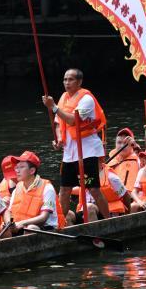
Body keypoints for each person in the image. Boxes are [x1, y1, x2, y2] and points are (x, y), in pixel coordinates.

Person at [43, 68, 110, 222]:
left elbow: (73, 120)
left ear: (79, 82)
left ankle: (109, 220)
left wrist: (53, 107)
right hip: (70, 152)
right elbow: (59, 124)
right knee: (65, 189)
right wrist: (59, 139)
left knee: (93, 189)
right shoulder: (63, 98)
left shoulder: (86, 98)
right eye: (65, 79)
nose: (67, 83)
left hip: (87, 150)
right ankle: (60, 223)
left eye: (71, 79)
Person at [3, 152, 57, 234]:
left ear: (32, 171)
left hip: (44, 228)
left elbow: (44, 217)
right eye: (16, 167)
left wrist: (22, 223)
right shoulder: (17, 188)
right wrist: (9, 224)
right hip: (20, 226)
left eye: (21, 167)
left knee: (31, 228)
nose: (17, 170)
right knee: (3, 227)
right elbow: (9, 211)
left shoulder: (47, 187)